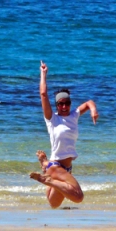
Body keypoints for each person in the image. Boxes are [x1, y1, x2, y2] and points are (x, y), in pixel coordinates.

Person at [30, 61, 98, 208]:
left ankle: (44, 164)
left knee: (53, 203)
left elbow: (89, 102)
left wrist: (93, 110)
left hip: (67, 168)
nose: (64, 106)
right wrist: (43, 74)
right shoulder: (52, 118)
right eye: (60, 104)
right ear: (56, 105)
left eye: (67, 103)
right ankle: (47, 177)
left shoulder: (74, 115)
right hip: (56, 166)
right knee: (78, 197)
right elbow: (43, 94)